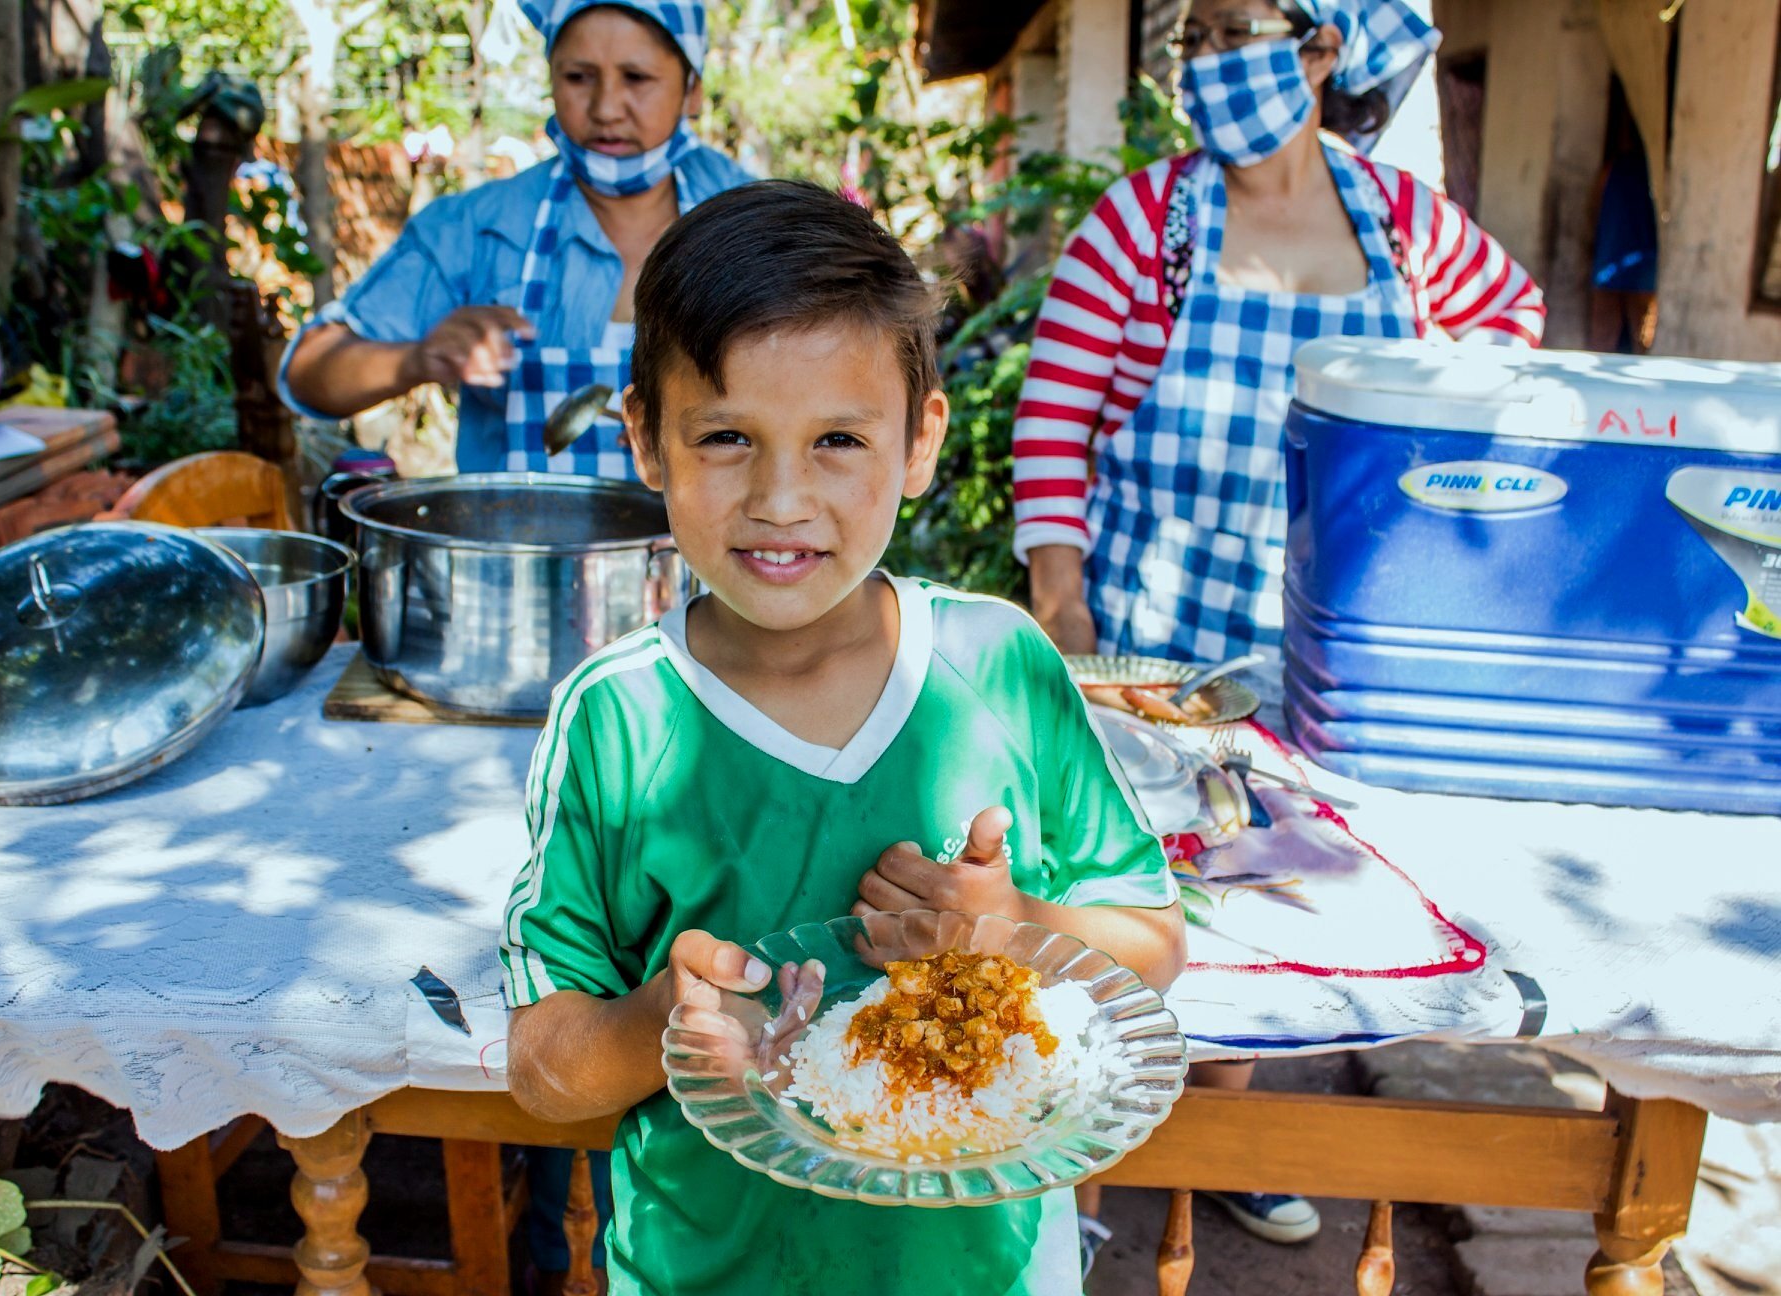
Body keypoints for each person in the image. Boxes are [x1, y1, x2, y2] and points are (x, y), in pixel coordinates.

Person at [499, 180, 1187, 1296]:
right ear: (646, 441)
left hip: (994, 1274)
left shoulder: (1002, 666)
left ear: (919, 445)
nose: (781, 498)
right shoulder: (616, 720)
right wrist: (664, 1020)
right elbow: (543, 1068)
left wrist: (1018, 929)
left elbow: (1153, 942)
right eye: (726, 436)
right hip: (703, 1271)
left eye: (837, 441)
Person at [1009, 0, 1543, 1252]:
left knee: (1267, 904)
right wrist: (1061, 596)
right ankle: (1081, 1175)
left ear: (1321, 49)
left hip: (1325, 657)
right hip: (1158, 653)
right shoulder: (1149, 226)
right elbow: (1052, 421)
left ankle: (1223, 1142)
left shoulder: (1401, 224)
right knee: (1121, 900)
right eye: (1195, 34)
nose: (1210, 59)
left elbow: (1510, 338)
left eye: (1243, 26)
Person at [278, 0, 750, 477]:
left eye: (636, 78)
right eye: (578, 77)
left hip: (697, 553)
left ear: (692, 90)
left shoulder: (755, 222)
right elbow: (307, 375)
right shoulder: (475, 226)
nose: (607, 108)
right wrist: (415, 360)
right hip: (519, 548)